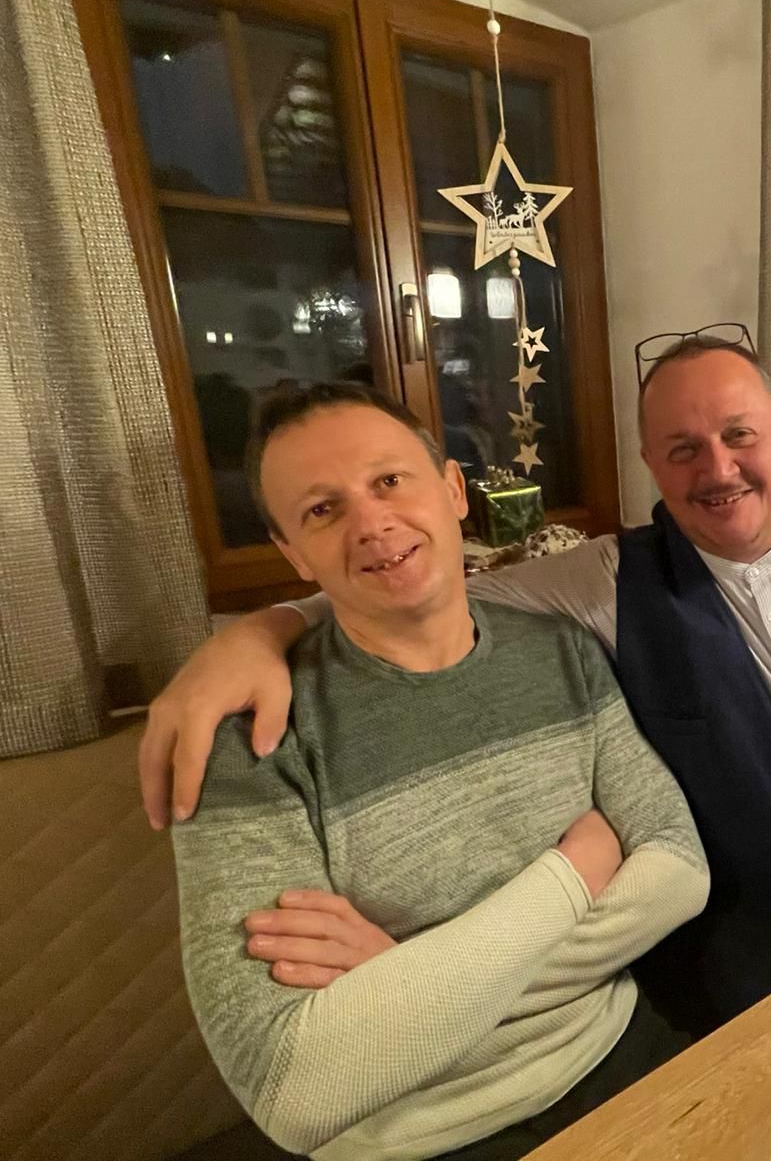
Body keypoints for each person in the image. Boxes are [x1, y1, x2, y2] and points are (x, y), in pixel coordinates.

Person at [141, 327, 771, 1029]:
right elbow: (415, 585)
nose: (718, 468)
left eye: (739, 435)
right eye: (684, 449)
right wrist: (260, 630)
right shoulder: (604, 583)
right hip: (767, 982)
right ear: (652, 463)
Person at [172, 384, 708, 1159]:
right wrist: (573, 872)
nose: (371, 523)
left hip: (620, 1056)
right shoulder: (247, 735)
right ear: (292, 552)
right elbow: (290, 1087)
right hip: (422, 1138)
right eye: (322, 510)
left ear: (454, 490)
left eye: (390, 481)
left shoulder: (560, 652)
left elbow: (680, 870)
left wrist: (415, 983)